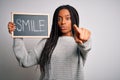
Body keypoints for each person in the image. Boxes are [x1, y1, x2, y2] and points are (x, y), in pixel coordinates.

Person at [8, 5, 91, 80]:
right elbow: (25, 61)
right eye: (58, 19)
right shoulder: (47, 42)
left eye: (67, 18)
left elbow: (86, 46)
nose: (62, 22)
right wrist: (17, 35)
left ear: (74, 20)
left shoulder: (80, 42)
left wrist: (84, 40)